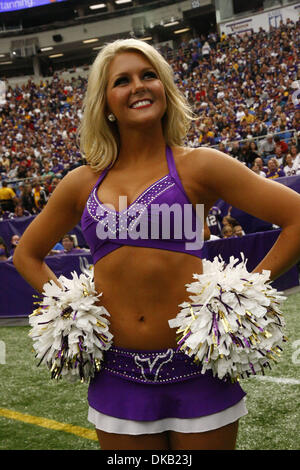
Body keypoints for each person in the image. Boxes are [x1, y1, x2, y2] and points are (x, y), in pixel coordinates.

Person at [13, 39, 300, 451]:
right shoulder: (81, 182)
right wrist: (69, 311)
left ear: (165, 88)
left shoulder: (200, 165)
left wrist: (244, 299)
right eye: (122, 80)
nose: (138, 86)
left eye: (149, 76)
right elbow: (27, 255)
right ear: (106, 102)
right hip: (117, 377)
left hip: (200, 371)